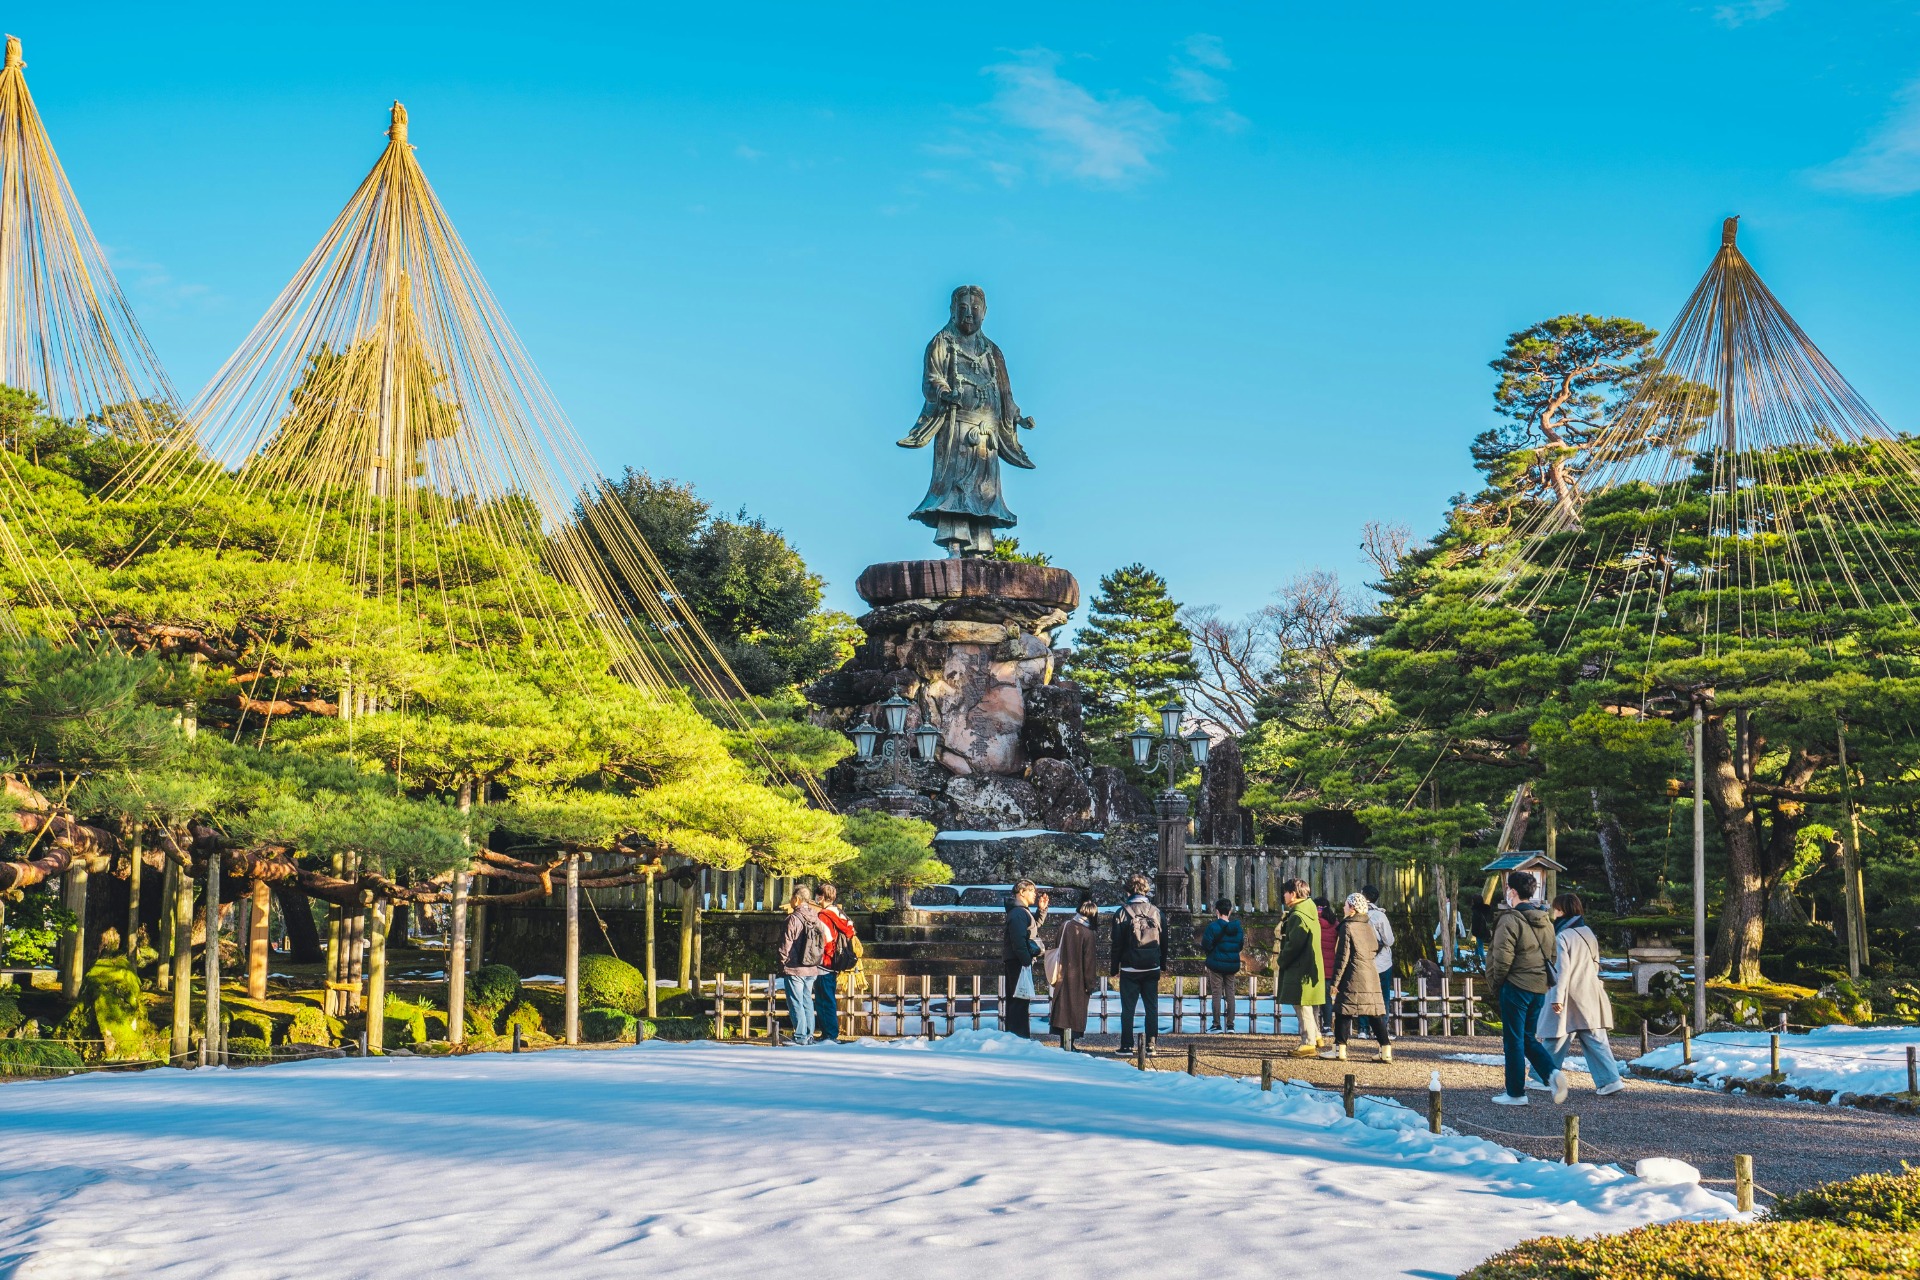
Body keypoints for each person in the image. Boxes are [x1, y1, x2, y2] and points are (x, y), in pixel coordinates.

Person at [1484, 871, 1563, 1105]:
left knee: (1514, 1040)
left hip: (1516, 984)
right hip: (1539, 985)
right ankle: (1552, 1073)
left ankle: (1516, 1092)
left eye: (1508, 889)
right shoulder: (1545, 920)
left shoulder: (1510, 919)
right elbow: (1552, 955)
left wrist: (1497, 984)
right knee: (1528, 1037)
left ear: (1513, 891)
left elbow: (1502, 957)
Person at [1540, 893, 1625, 1096]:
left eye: (1556, 909)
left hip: (1570, 995)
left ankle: (1542, 1076)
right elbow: (1595, 964)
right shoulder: (1588, 932)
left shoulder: (1562, 936)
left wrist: (1556, 998)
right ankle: (1609, 1079)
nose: (1554, 912)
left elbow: (1562, 970)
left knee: (1556, 1036)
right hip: (1590, 991)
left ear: (1561, 910)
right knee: (1594, 1037)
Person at [1323, 892, 1392, 1062]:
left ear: (1352, 908)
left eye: (1346, 904)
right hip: (1370, 971)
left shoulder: (1348, 926)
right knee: (1373, 1012)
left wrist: (1335, 981)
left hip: (1352, 973)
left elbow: (1342, 956)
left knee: (1343, 1011)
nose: (1344, 907)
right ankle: (1385, 1049)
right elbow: (1375, 946)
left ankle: (1340, 1049)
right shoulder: (1368, 925)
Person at [1110, 873, 1163, 1057]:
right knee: (1151, 1007)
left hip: (1129, 966)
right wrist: (1161, 964)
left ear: (1129, 890)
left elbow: (1116, 944)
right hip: (1151, 966)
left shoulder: (1122, 912)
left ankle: (1126, 1045)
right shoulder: (1155, 911)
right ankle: (1151, 1044)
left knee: (1128, 1008)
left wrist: (1114, 968)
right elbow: (1163, 941)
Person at [1273, 878, 1325, 1057]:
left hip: (1299, 966)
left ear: (1293, 894)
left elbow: (1294, 944)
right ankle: (1316, 1035)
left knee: (1301, 1004)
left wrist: (1281, 960)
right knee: (1306, 1003)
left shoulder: (1297, 915)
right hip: (1310, 964)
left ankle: (1308, 1042)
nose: (1284, 896)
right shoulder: (1309, 910)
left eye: (1285, 893)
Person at [776, 885, 830, 1046]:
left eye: (792, 897)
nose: (791, 901)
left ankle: (800, 1035)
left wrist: (783, 962)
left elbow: (785, 945)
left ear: (797, 899)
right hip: (812, 967)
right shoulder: (816, 917)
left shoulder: (793, 919)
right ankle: (809, 1035)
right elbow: (824, 940)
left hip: (795, 967)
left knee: (795, 1001)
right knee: (807, 1000)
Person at [1048, 895, 1100, 1050]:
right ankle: (1071, 1043)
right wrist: (1090, 983)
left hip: (1061, 975)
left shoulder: (1065, 926)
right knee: (1075, 1010)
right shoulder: (1088, 933)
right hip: (1078, 978)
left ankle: (1063, 1041)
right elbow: (1089, 962)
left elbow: (1058, 946)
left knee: (1062, 1008)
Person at [1002, 879, 1049, 1037]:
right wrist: (1026, 961)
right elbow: (1018, 941)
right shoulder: (1018, 913)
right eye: (1032, 891)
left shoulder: (1021, 912)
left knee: (1019, 1000)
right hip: (1018, 962)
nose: (1035, 894)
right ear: (1022, 892)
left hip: (1018, 961)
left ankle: (1016, 1035)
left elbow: (1032, 926)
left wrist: (1041, 910)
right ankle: (1018, 1036)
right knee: (1019, 1001)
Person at [814, 883, 857, 1043]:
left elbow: (826, 939)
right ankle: (831, 1032)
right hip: (837, 961)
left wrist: (821, 955)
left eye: (818, 895)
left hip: (825, 962)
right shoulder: (839, 912)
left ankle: (829, 1033)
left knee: (823, 1000)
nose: (816, 898)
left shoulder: (824, 915)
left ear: (822, 897)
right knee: (829, 997)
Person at [1199, 898, 1245, 1033]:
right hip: (1231, 964)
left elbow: (1206, 945)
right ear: (1230, 911)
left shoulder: (1212, 927)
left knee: (1216, 993)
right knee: (1230, 993)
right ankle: (1230, 1025)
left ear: (1217, 911)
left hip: (1215, 964)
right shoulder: (1237, 928)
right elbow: (1240, 946)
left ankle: (1216, 1024)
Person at [1360, 883, 1397, 1041]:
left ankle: (1363, 1028)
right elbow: (1389, 940)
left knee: (1363, 994)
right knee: (1383, 996)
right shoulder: (1380, 916)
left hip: (1362, 960)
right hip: (1382, 961)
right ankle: (1381, 1028)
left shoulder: (1356, 914)